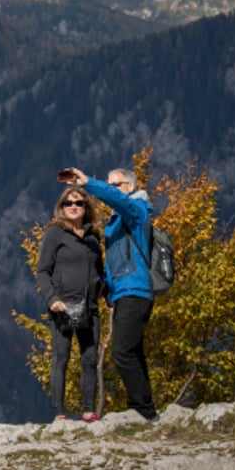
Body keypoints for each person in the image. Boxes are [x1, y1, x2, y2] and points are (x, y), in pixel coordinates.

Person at [58, 166, 158, 421]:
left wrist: (89, 183)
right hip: (122, 294)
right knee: (133, 351)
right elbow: (116, 261)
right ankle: (147, 409)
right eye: (109, 184)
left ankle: (142, 411)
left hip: (136, 290)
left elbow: (119, 201)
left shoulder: (137, 211)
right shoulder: (117, 221)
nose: (112, 189)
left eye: (116, 185)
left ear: (130, 187)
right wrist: (106, 290)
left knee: (122, 353)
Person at [34, 186, 103, 422]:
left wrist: (107, 296)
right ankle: (59, 414)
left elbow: (99, 271)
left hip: (90, 308)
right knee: (61, 359)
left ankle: (88, 411)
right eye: (68, 203)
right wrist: (52, 299)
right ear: (62, 207)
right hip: (62, 307)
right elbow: (42, 271)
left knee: (90, 359)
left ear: (86, 207)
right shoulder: (55, 233)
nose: (73, 207)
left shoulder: (94, 236)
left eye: (79, 203)